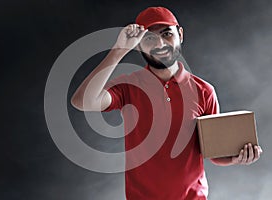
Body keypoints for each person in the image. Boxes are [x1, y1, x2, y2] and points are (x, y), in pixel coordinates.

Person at [71, 6, 263, 200]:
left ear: (180, 34)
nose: (160, 44)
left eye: (166, 34)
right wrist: (118, 51)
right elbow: (81, 101)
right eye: (149, 39)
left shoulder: (204, 91)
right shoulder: (128, 87)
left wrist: (236, 157)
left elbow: (213, 152)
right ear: (138, 45)